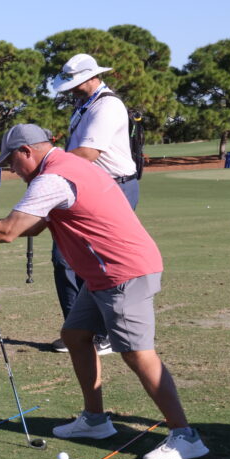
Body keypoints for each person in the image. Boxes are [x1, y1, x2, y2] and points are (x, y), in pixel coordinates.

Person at [0, 124, 208, 459]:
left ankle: (185, 435)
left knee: (137, 353)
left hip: (121, 271)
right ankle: (94, 420)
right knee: (76, 335)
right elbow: (33, 225)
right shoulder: (70, 166)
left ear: (26, 152)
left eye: (12, 162)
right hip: (103, 274)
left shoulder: (52, 179)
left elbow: (9, 232)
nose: (12, 170)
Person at [49, 53, 140, 356]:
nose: (71, 90)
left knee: (102, 264)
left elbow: (88, 153)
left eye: (74, 84)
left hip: (115, 188)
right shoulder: (84, 105)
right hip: (84, 188)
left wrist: (46, 165)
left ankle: (105, 334)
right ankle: (79, 331)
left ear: (91, 78)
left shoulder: (108, 105)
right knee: (64, 258)